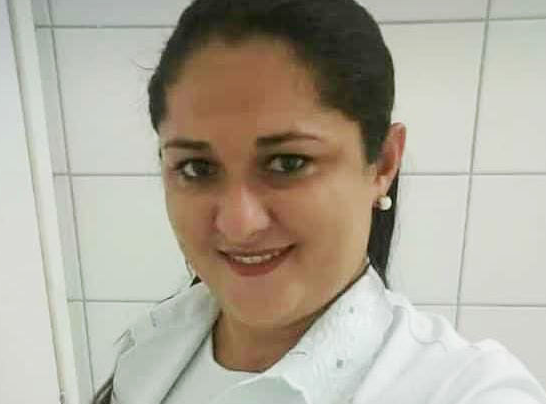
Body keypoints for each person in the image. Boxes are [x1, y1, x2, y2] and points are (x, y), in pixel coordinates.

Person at [93, 1, 546, 403]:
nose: (238, 223)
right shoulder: (152, 347)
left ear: (383, 163)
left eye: (288, 163)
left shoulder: (461, 388)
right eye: (196, 168)